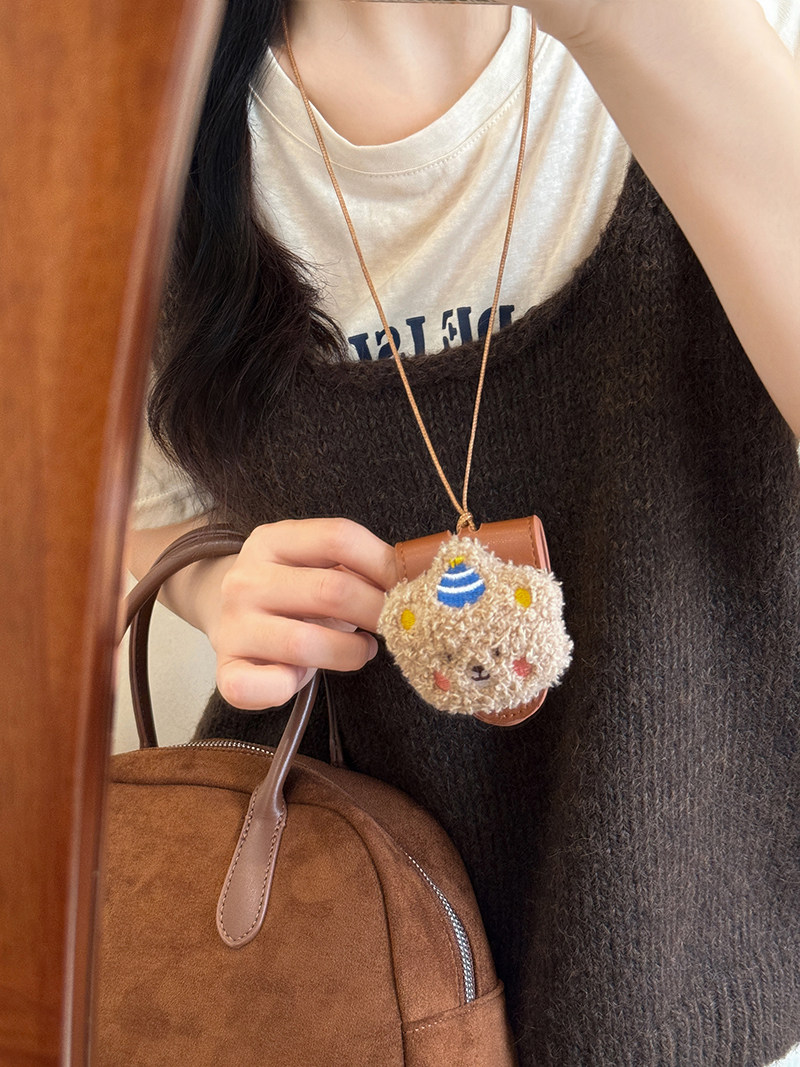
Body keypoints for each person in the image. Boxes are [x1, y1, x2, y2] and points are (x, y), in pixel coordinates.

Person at [128, 0, 800, 1062]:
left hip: (711, 939)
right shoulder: (149, 107)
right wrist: (215, 588)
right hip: (337, 982)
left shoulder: (743, 32)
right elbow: (128, 507)